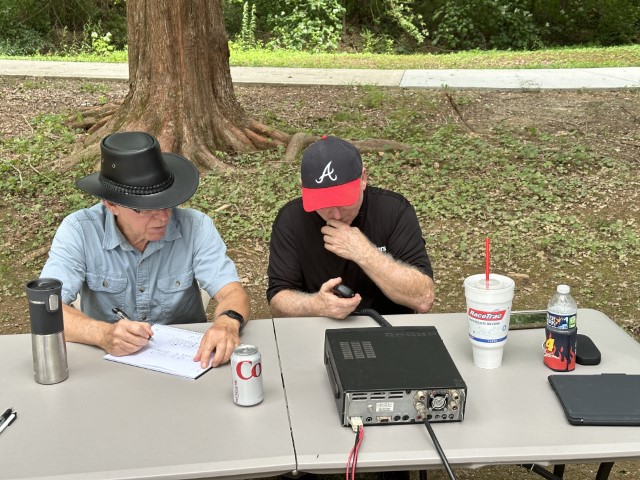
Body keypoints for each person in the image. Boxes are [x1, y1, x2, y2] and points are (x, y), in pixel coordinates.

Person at [41, 131, 249, 368]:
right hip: (107, 364)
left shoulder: (196, 227)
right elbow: (48, 307)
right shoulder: (79, 230)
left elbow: (232, 293)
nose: (163, 216)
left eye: (167, 202)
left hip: (189, 361)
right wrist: (103, 334)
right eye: (145, 208)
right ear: (111, 204)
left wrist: (226, 324)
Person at [267, 135, 435, 320]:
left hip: (388, 326)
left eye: (345, 201)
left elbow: (423, 298)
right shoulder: (291, 219)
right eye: (325, 204)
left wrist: (364, 252)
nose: (337, 215)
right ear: (303, 189)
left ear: (363, 178)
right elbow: (277, 300)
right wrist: (316, 305)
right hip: (318, 329)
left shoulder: (394, 210)